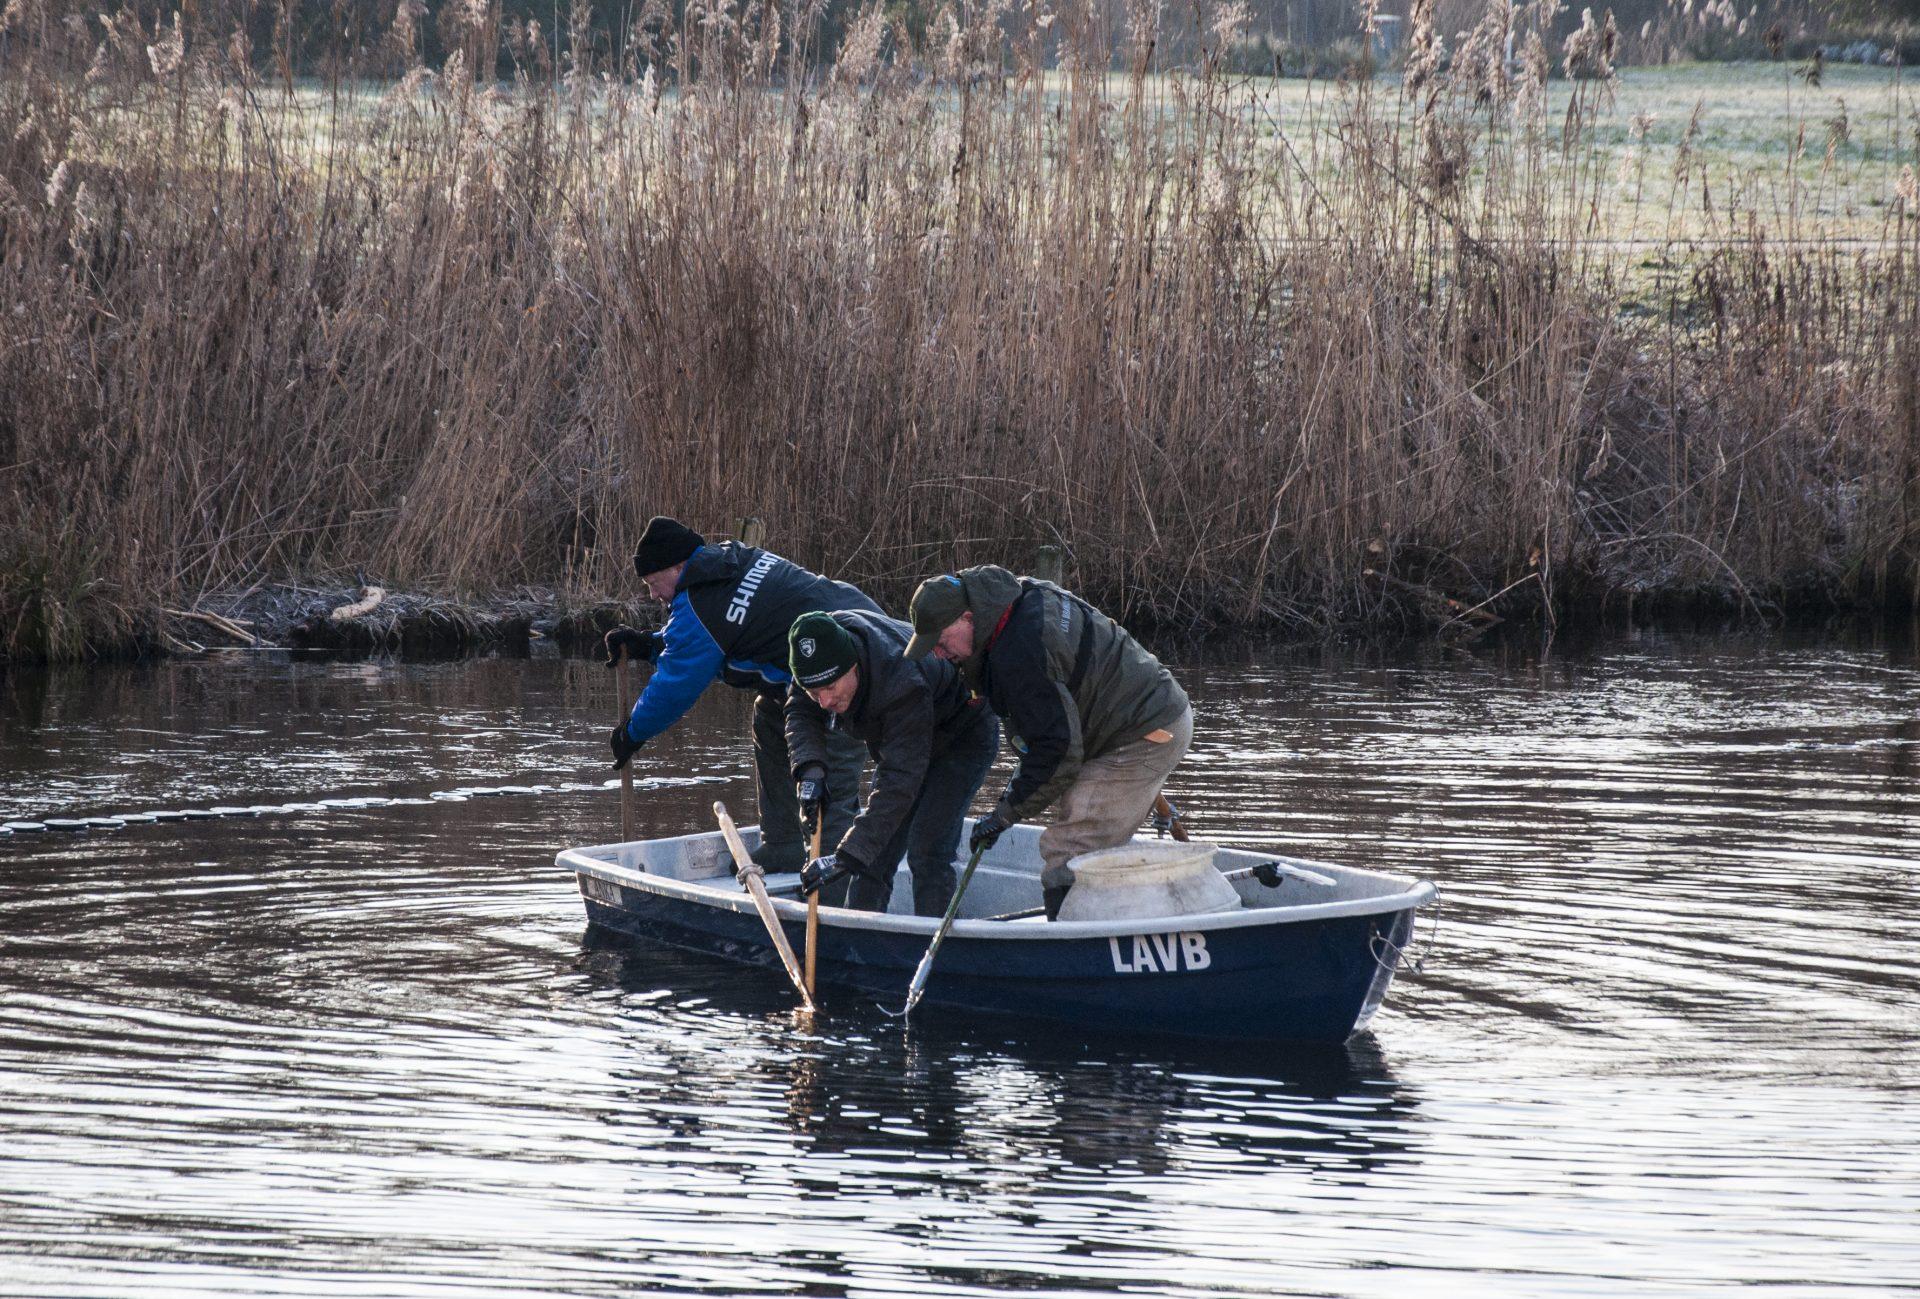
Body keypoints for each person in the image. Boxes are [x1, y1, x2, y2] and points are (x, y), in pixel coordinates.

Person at [902, 566, 1192, 921]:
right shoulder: (1014, 596)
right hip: (1124, 717)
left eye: (942, 642)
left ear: (967, 617)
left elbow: (1058, 753)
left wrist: (1006, 813)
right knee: (1077, 820)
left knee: (1068, 852)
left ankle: (1069, 951)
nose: (939, 654)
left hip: (1143, 733)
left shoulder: (1020, 652)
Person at [603, 516, 875, 870]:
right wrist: (648, 646)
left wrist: (632, 733)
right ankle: (784, 843)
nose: (653, 595)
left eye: (654, 582)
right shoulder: (731, 559)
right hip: (851, 636)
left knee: (829, 779)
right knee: (770, 713)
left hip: (849, 674)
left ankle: (837, 878)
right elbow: (715, 638)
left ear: (679, 567)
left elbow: (676, 685)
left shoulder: (702, 605)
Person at [784, 609, 999, 915]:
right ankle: (860, 944)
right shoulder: (814, 650)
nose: (826, 703)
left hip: (963, 733)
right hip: (906, 737)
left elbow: (900, 779)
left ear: (853, 665)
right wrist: (810, 771)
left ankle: (937, 945)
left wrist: (844, 857)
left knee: (928, 848)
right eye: (814, 691)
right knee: (872, 855)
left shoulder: (901, 680)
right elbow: (800, 711)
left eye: (831, 688)